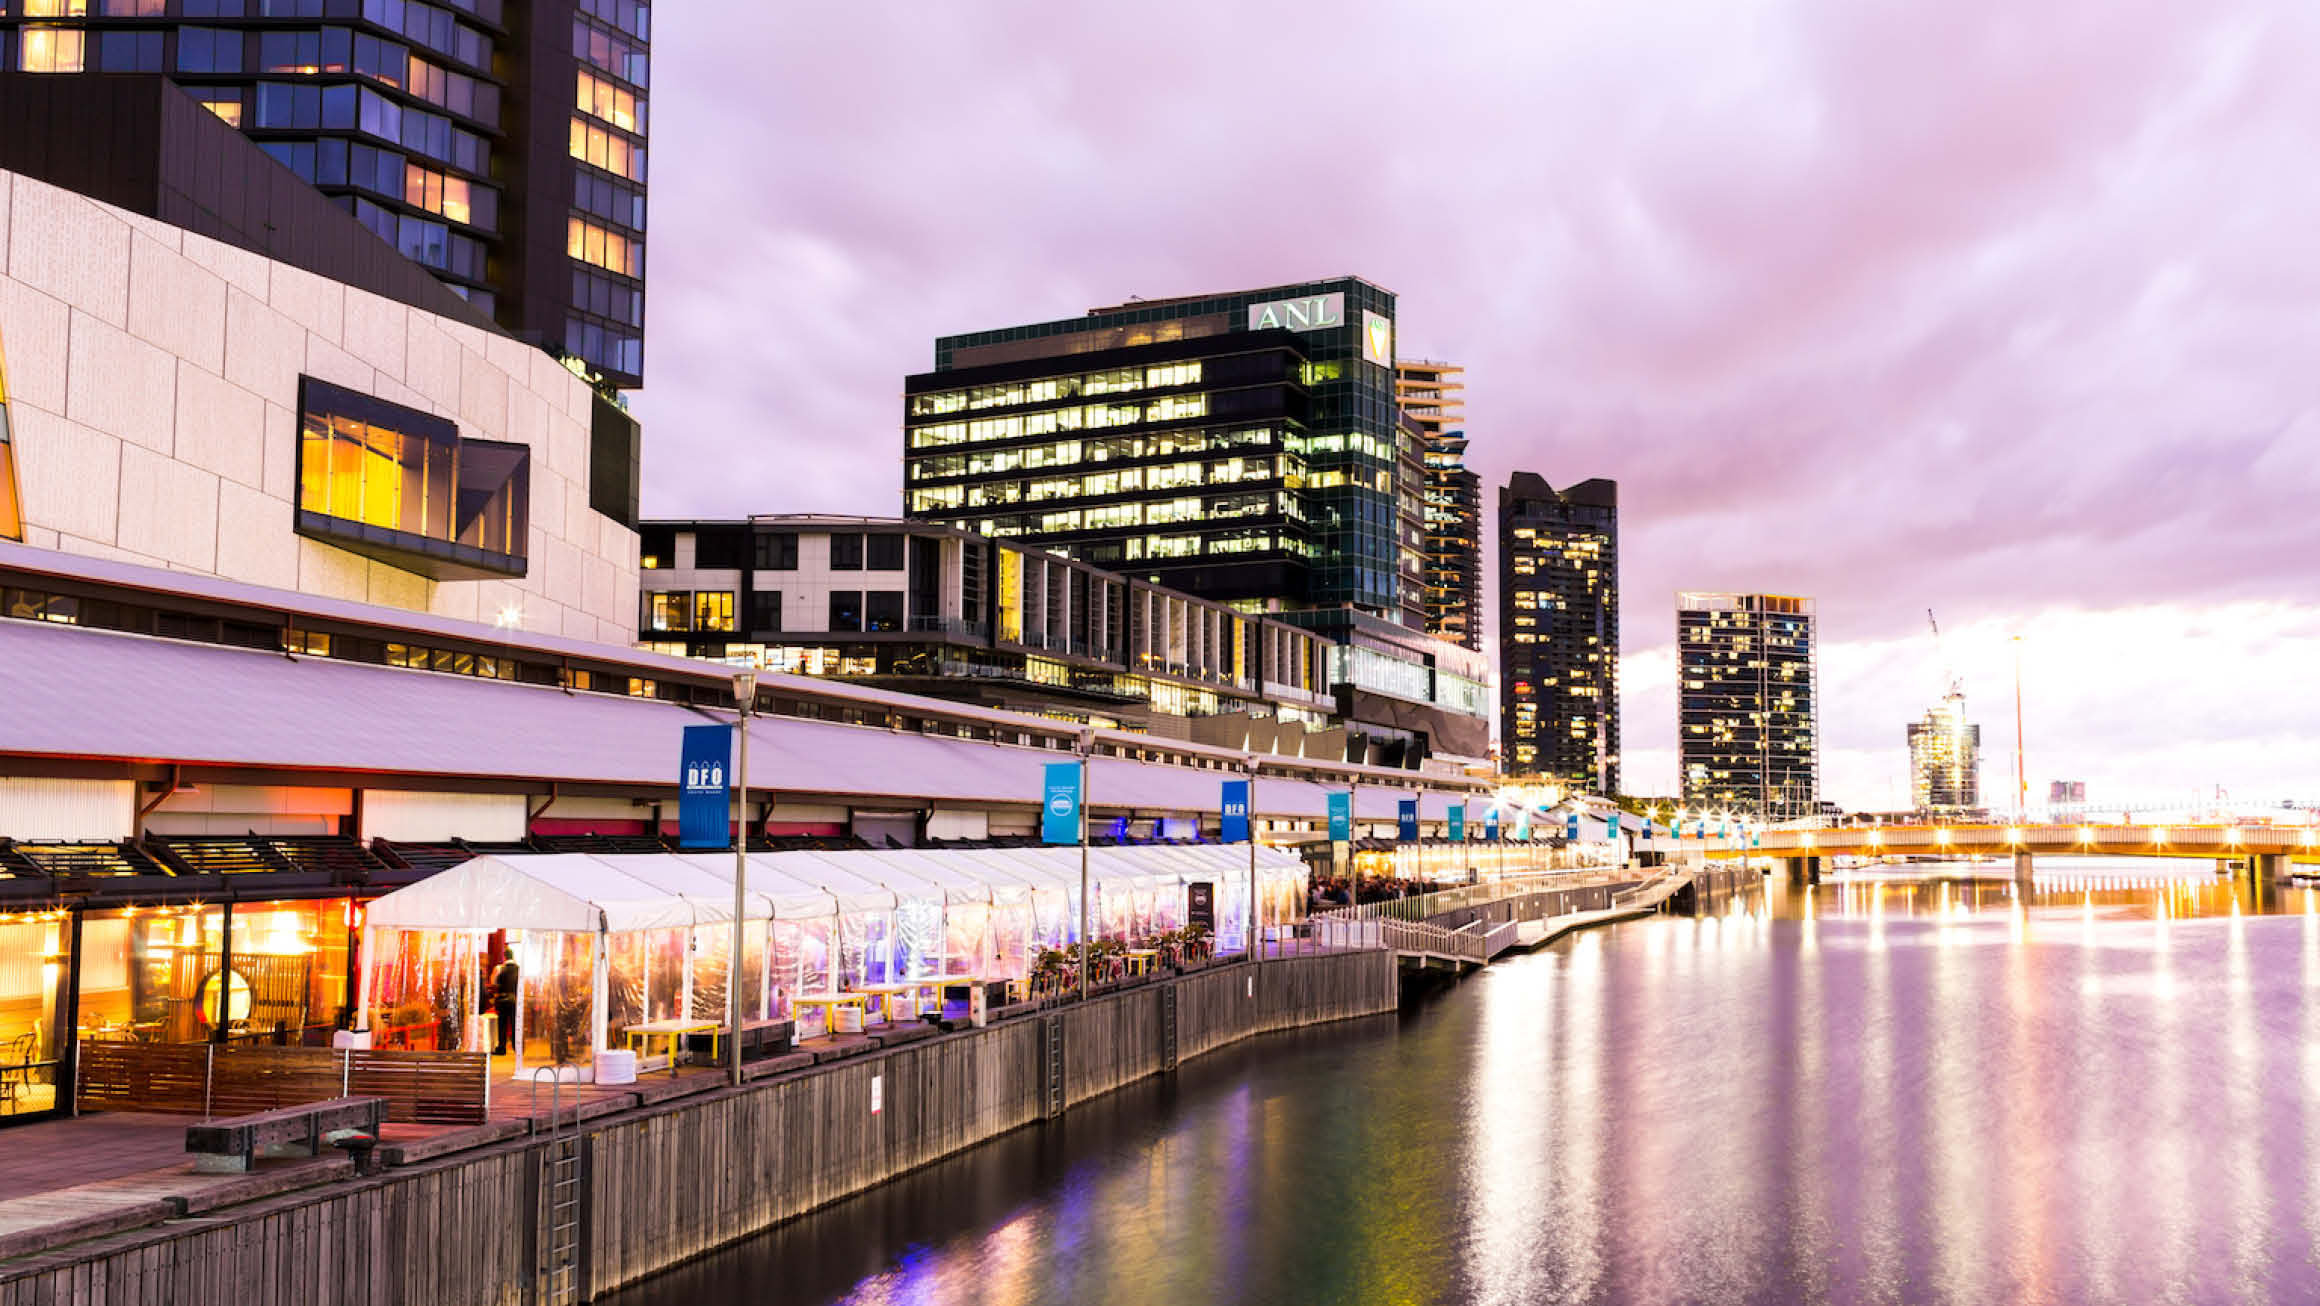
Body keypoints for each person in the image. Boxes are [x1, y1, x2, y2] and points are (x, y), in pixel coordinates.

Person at [490, 957, 519, 1055]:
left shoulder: (500, 968)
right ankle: (517, 1047)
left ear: (505, 958)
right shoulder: (519, 969)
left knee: (502, 1025)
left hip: (502, 999)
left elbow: (494, 982)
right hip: (515, 1000)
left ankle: (502, 1047)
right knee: (515, 1024)